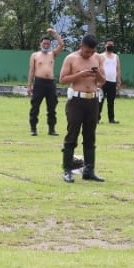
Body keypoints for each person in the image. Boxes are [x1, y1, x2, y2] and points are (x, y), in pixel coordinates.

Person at [59, 33, 105, 183]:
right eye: (87, 51)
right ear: (81, 46)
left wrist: (96, 73)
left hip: (92, 100)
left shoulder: (98, 58)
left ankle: (89, 170)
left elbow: (103, 81)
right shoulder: (71, 58)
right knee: (72, 134)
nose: (89, 54)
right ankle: (67, 170)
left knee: (90, 136)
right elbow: (63, 80)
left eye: (92, 52)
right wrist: (80, 74)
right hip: (76, 100)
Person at [27, 28, 64, 136]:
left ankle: (51, 129)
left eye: (48, 44)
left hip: (50, 83)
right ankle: (33, 129)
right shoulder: (35, 55)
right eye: (44, 43)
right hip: (39, 83)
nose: (46, 45)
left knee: (52, 107)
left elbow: (61, 45)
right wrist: (29, 85)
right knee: (35, 106)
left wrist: (54, 33)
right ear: (40, 44)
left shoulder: (52, 54)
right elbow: (32, 70)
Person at [101, 39, 121, 124]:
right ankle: (97, 118)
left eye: (112, 45)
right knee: (100, 100)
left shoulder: (116, 56)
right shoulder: (101, 56)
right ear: (105, 45)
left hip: (112, 82)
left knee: (111, 101)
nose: (110, 46)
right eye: (109, 44)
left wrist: (118, 81)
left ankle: (111, 119)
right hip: (102, 81)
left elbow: (118, 69)